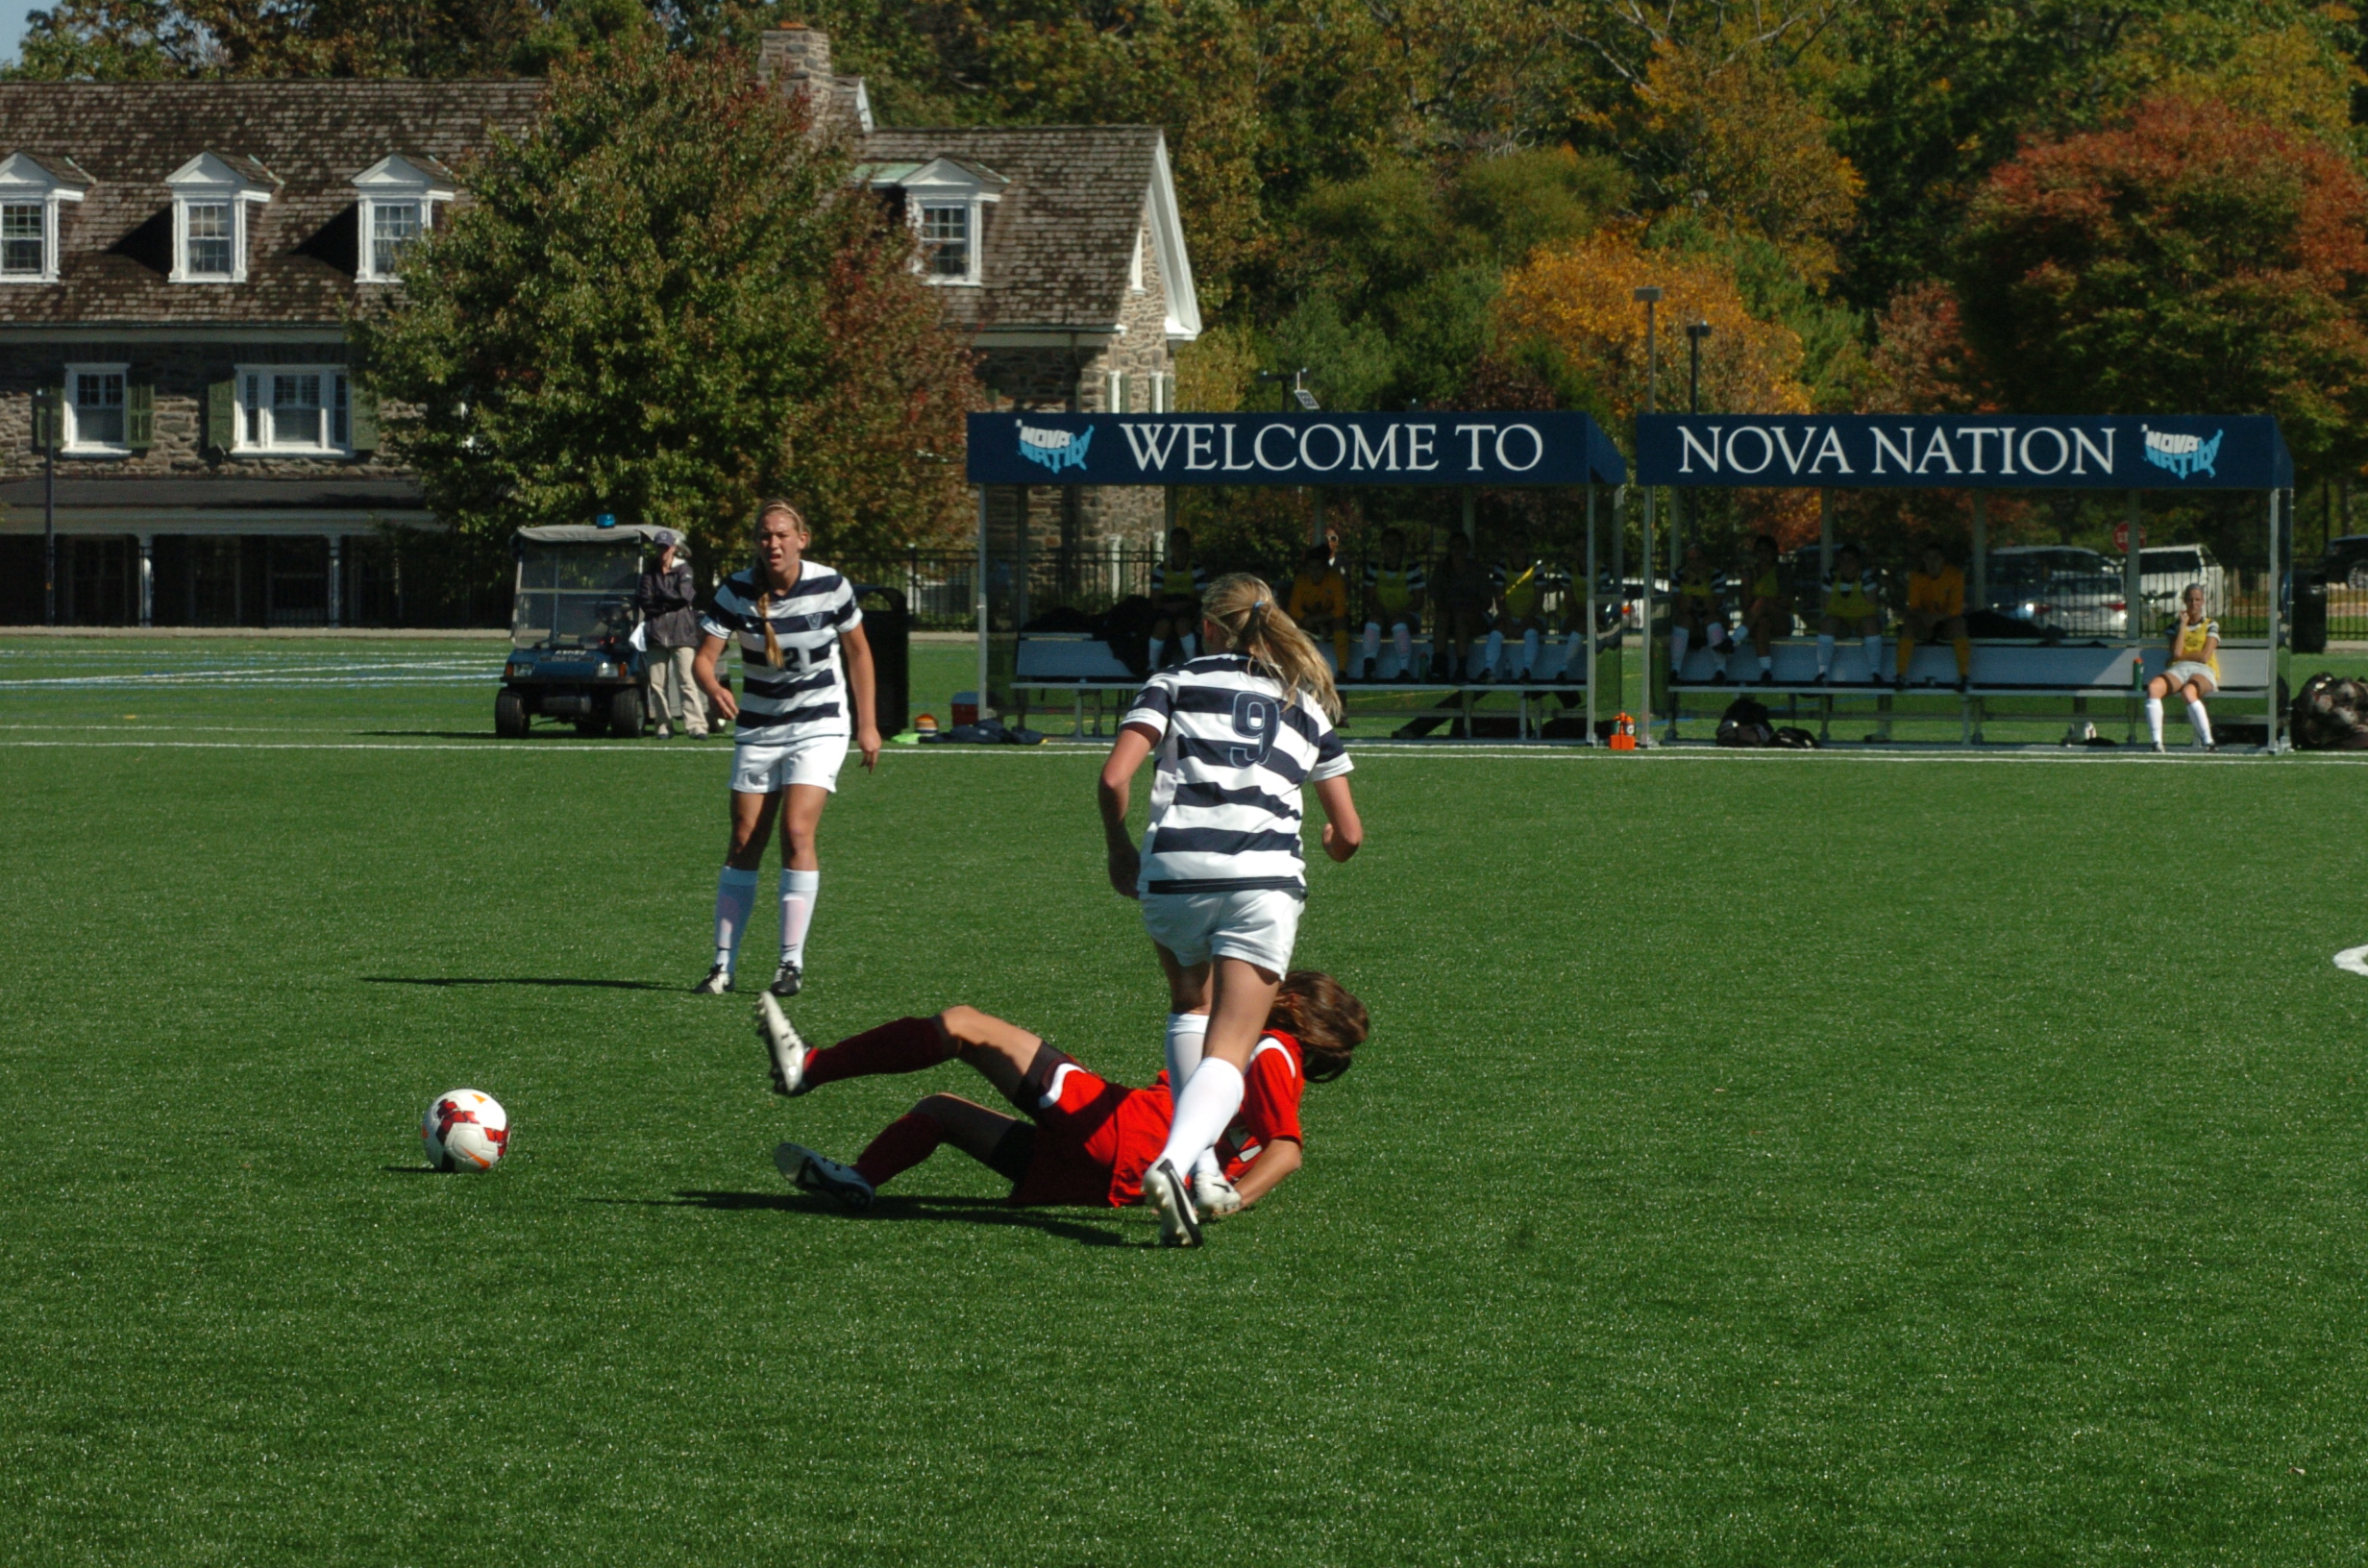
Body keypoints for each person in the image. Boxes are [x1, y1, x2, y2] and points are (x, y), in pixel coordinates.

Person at [1098, 573, 1363, 1246]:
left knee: (1190, 1006)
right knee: (1232, 1044)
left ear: (1209, 627)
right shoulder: (1306, 702)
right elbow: (1349, 835)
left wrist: (1119, 848)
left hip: (1175, 872)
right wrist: (1331, 844)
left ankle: (1204, 1171)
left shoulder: (1173, 680)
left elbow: (1113, 776)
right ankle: (1177, 1161)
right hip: (1262, 879)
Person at [755, 970, 1368, 1219]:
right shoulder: (1263, 1051)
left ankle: (810, 1067)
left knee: (965, 1025)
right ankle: (860, 1181)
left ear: (1289, 1002)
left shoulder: (1271, 1049)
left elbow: (1287, 1150)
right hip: (1115, 1182)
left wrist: (1226, 1203)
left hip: (1126, 1134)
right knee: (940, 1112)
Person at [689, 500, 881, 998]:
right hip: (759, 727)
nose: (772, 544)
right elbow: (703, 659)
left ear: (802, 539)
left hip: (820, 724)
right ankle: (722, 966)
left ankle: (789, 964)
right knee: (743, 841)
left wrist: (868, 725)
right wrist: (712, 686)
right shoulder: (736, 590)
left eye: (781, 535)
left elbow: (859, 652)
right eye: (764, 535)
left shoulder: (830, 585)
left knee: (797, 830)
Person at [635, 528, 707, 739]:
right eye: (660, 547)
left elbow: (684, 597)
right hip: (656, 634)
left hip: (682, 633)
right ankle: (663, 725)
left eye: (666, 547)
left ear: (673, 548)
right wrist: (666, 601)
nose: (663, 551)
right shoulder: (649, 573)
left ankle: (696, 726)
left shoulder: (684, 569)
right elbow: (645, 601)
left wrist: (659, 597)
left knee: (687, 681)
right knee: (657, 684)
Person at [2145, 583, 2218, 751]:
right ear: (2184, 601)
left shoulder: (2211, 624)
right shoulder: (2175, 627)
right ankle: (2156, 742)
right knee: (2153, 688)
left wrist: (2180, 656)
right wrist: (2183, 626)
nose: (2194, 604)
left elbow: (2204, 657)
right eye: (2190, 600)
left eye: (2197, 600)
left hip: (2203, 669)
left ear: (2203, 601)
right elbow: (2177, 652)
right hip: (2179, 669)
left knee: (2188, 692)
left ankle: (2208, 741)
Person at [1487, 529, 1566, 682]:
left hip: (1533, 616)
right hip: (1507, 616)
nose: (1518, 549)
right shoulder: (1501, 567)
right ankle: (1489, 669)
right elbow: (1499, 600)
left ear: (1527, 547)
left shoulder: (1536, 568)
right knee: (1496, 630)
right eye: (1514, 544)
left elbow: (1538, 601)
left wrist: (1523, 623)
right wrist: (1509, 622)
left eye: (1521, 545)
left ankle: (1527, 670)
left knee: (1531, 630)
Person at [1897, 542, 1972, 692]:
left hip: (1945, 622)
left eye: (1936, 558)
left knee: (1959, 624)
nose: (1931, 562)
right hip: (1924, 622)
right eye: (1927, 558)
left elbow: (1956, 608)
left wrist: (1937, 618)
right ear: (1923, 560)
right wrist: (1925, 617)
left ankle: (1963, 676)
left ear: (1943, 559)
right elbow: (1913, 606)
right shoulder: (1916, 576)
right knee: (1909, 624)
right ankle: (1901, 675)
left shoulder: (1955, 575)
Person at [1359, 527, 1426, 681]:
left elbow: (1419, 601)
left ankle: (1404, 669)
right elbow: (1369, 598)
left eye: (1395, 543)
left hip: (1407, 616)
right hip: (1382, 615)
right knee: (1373, 621)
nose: (1391, 547)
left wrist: (1400, 612)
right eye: (1387, 543)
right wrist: (1380, 611)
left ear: (1402, 546)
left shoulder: (1412, 567)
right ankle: (1369, 668)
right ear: (1382, 546)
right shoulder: (1374, 566)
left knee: (1398, 622)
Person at [1816, 543, 1885, 686]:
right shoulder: (1831, 576)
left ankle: (1876, 673)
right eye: (1843, 560)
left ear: (1858, 562)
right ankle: (1822, 673)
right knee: (1827, 623)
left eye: (1851, 560)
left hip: (1862, 626)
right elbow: (1825, 605)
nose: (1847, 564)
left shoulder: (1866, 576)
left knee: (1870, 623)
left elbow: (1872, 600)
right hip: (1841, 625)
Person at [1432, 531, 1494, 682]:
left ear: (1467, 548)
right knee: (1442, 616)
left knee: (1461, 617)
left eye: (1461, 547)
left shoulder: (1477, 570)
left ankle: (1461, 668)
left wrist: (1469, 611)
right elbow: (1437, 600)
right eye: (1454, 547)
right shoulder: (1441, 570)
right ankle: (1439, 666)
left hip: (1475, 618)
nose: (1457, 551)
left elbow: (1487, 602)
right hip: (1450, 618)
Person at [1286, 543, 1353, 674]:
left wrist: (1319, 620)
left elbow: (1340, 610)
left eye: (1318, 568)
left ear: (1325, 568)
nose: (1314, 572)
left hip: (1329, 619)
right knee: (1292, 624)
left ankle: (1342, 670)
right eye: (1310, 568)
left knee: (1341, 622)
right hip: (1309, 619)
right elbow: (1294, 608)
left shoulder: (1335, 578)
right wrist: (1314, 622)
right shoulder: (1301, 580)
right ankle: (1298, 669)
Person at [1147, 527, 1208, 671]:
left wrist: (1183, 604)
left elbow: (1202, 595)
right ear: (1170, 545)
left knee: (1182, 624)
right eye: (1175, 543)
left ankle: (1192, 664)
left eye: (1182, 543)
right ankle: (1152, 667)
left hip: (1189, 606)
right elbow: (1155, 596)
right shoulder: (1161, 569)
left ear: (1188, 546)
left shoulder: (1196, 569)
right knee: (1162, 626)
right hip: (1166, 607)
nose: (1179, 547)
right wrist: (1167, 606)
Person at [1668, 541, 1728, 684]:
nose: (1695, 564)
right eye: (1691, 560)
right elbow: (1683, 607)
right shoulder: (1678, 575)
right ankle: (1675, 671)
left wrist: (1702, 581)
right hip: (1692, 625)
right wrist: (1689, 582)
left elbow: (1712, 608)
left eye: (1699, 559)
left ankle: (1720, 671)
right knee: (1683, 620)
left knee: (1711, 620)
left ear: (1706, 559)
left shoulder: (1717, 574)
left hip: (1715, 623)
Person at [1739, 534, 1787, 686]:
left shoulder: (1781, 572)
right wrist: (1747, 584)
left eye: (1767, 551)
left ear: (1774, 553)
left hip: (1781, 620)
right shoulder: (1750, 573)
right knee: (1763, 623)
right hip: (1756, 622)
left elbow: (1785, 602)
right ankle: (1766, 670)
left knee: (1763, 602)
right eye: (1759, 551)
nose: (1763, 555)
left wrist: (1765, 603)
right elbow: (1746, 605)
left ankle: (1735, 638)